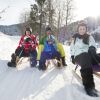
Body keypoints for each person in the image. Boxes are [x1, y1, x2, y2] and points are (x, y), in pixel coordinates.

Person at [70, 20, 100, 97]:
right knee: (85, 56)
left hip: (89, 54)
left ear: (86, 29)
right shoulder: (75, 38)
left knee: (91, 55)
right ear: (78, 29)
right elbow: (72, 48)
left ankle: (97, 63)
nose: (82, 30)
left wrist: (92, 48)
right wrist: (72, 56)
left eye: (84, 29)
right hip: (79, 56)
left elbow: (92, 44)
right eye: (80, 29)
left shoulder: (89, 37)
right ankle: (89, 87)